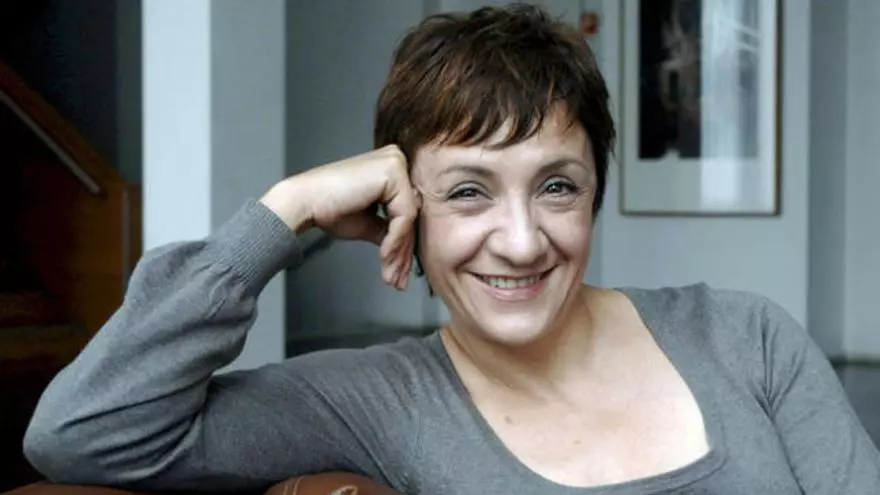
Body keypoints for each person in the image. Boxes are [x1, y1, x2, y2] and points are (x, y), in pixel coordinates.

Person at [23, 4, 880, 494]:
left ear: (595, 193)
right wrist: (286, 213)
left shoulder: (746, 338)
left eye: (557, 186)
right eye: (469, 191)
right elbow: (83, 431)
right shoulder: (374, 398)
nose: (522, 239)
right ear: (403, 206)